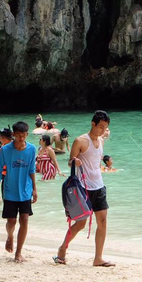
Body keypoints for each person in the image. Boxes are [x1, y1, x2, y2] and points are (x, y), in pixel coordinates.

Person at [53, 110, 114, 267]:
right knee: (80, 224)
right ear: (93, 124)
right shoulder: (80, 141)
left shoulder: (101, 141)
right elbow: (70, 162)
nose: (102, 130)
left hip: (99, 186)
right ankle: (62, 249)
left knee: (103, 221)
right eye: (100, 126)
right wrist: (75, 162)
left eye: (105, 127)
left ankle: (98, 258)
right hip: (82, 187)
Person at [0, 121, 37, 262]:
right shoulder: (5, 150)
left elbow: (31, 170)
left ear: (27, 135)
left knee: (24, 219)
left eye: (23, 135)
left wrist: (35, 189)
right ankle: (10, 236)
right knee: (11, 221)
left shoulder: (31, 149)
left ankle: (19, 252)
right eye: (18, 135)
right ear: (13, 135)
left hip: (25, 191)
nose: (21, 138)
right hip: (10, 190)